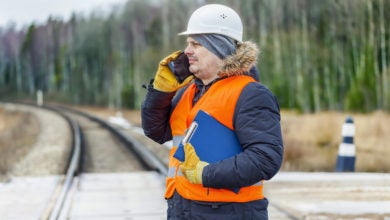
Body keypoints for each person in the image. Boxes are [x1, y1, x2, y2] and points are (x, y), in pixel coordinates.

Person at [141, 4, 283, 219]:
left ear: (220, 49)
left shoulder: (250, 94)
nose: (186, 51)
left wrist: (205, 174)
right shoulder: (187, 91)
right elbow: (155, 131)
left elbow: (265, 159)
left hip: (229, 213)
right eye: (188, 43)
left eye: (196, 44)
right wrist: (160, 92)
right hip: (182, 208)